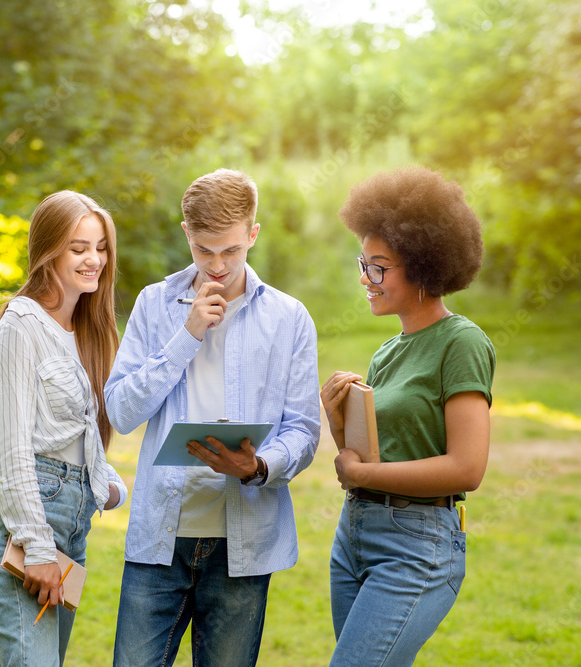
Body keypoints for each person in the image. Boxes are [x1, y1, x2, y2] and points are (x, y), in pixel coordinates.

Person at [106, 169, 320, 666]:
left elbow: (303, 430)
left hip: (244, 541)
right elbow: (120, 411)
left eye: (231, 250)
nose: (218, 265)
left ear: (253, 234)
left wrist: (258, 466)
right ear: (186, 234)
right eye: (204, 251)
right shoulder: (154, 304)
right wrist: (188, 334)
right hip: (160, 538)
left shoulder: (289, 318)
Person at [320, 166, 495, 666]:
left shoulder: (462, 343)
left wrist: (361, 474)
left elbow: (466, 469)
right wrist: (337, 421)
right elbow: (367, 459)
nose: (365, 278)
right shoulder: (387, 353)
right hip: (355, 534)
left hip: (416, 544)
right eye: (364, 263)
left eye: (378, 267)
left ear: (421, 265)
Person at [0, 191, 129, 666]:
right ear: (48, 252)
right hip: (27, 526)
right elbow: (12, 451)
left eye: (100, 247)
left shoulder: (85, 331)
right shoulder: (21, 325)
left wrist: (104, 484)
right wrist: (38, 548)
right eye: (78, 248)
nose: (93, 259)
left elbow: (75, 434)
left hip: (73, 527)